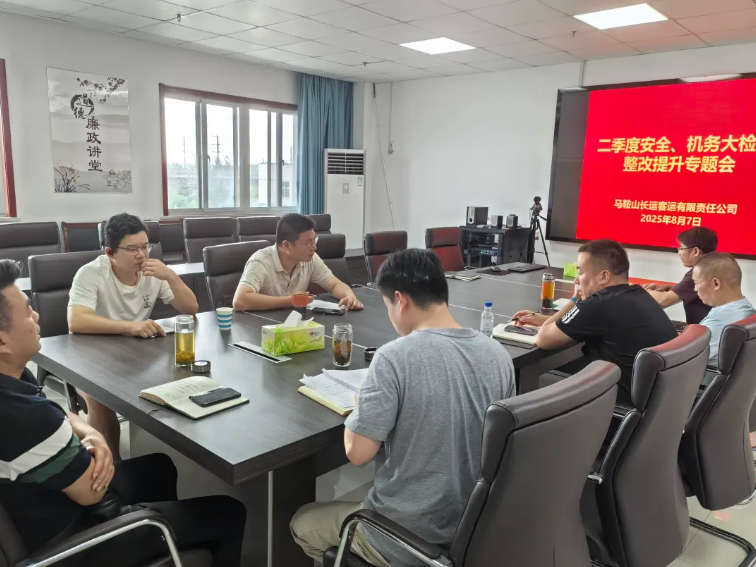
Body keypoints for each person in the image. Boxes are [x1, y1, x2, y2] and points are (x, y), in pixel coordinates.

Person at [0, 259, 246, 567]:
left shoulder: (12, 378)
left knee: (159, 467)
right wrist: (92, 447)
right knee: (229, 512)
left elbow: (59, 414)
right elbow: (91, 492)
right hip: (73, 539)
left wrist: (91, 433)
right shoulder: (23, 417)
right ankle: (149, 534)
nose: (37, 316)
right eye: (27, 312)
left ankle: (168, 552)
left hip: (50, 500)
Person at [290, 249, 515, 567]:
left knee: (302, 522)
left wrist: (361, 401)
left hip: (407, 536)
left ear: (400, 299)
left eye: (387, 307)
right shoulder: (497, 353)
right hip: (474, 529)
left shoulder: (394, 357)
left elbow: (358, 453)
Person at [68, 213, 199, 457]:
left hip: (135, 353)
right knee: (100, 398)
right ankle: (112, 465)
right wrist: (131, 326)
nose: (142, 254)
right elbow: (77, 320)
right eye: (132, 249)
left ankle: (171, 453)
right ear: (110, 253)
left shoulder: (154, 272)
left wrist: (170, 276)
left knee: (179, 379)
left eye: (145, 246)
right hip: (90, 357)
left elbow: (190, 308)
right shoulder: (91, 273)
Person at [513, 239, 677, 404]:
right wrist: (546, 319)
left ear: (604, 276)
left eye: (581, 272)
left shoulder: (600, 303)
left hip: (617, 407)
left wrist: (575, 298)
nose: (576, 280)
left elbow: (543, 339)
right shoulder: (639, 294)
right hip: (657, 404)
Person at [233, 213, 363, 312]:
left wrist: (350, 296)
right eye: (308, 243)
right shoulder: (261, 262)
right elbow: (240, 300)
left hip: (293, 324)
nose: (314, 247)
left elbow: (334, 285)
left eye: (314, 240)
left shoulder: (310, 259)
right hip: (261, 328)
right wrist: (291, 301)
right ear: (286, 246)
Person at [643, 227, 718, 324]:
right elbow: (691, 289)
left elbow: (664, 299)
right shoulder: (714, 265)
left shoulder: (700, 271)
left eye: (681, 248)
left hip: (702, 329)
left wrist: (637, 289)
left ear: (695, 251)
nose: (679, 253)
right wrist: (667, 287)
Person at [693, 252, 756, 366]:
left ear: (716, 283)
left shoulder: (717, 322)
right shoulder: (748, 310)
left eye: (697, 282)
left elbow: (684, 361)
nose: (695, 289)